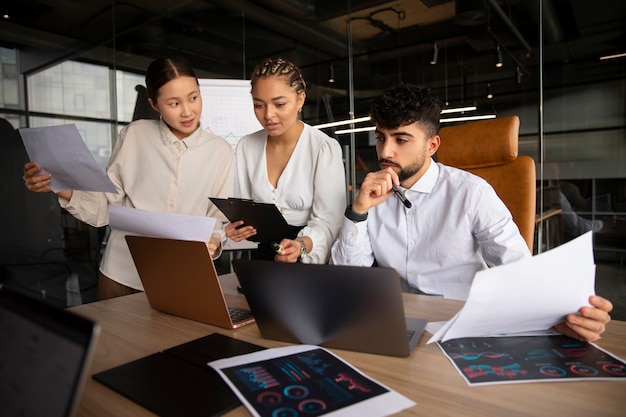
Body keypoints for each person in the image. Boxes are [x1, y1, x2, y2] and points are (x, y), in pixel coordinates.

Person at [331, 83, 612, 342]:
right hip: (397, 322)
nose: (385, 152)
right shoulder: (372, 195)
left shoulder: (471, 193)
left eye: (401, 140)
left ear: (432, 145)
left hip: (462, 324)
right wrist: (358, 211)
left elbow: (516, 267)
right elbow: (347, 281)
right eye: (381, 138)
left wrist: (561, 315)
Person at [23, 56, 234, 300]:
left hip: (182, 276)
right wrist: (57, 185)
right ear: (154, 104)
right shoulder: (134, 135)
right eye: (174, 103)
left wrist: (214, 241)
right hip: (122, 273)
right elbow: (106, 207)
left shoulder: (220, 151)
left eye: (193, 98)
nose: (187, 111)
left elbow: (217, 220)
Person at [225, 57, 346, 264]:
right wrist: (234, 228)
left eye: (279, 104)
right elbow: (243, 208)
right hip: (263, 258)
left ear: (300, 100)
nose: (268, 115)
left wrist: (301, 245)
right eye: (258, 105)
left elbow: (330, 222)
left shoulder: (322, 148)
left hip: (306, 256)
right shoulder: (247, 145)